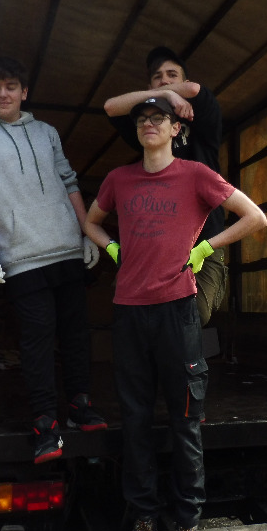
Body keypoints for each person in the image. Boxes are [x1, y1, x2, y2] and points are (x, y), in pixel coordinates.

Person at [84, 96, 267, 531]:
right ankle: (143, 523)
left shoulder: (196, 175)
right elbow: (90, 221)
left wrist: (206, 247)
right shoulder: (119, 179)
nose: (149, 124)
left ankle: (186, 525)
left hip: (177, 312)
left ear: (175, 129)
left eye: (158, 118)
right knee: (136, 421)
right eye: (142, 119)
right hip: (129, 313)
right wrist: (113, 248)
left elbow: (255, 217)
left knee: (185, 421)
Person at [0, 56, 107, 466]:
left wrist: (87, 232)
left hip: (66, 248)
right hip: (22, 256)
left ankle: (80, 405)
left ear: (24, 92)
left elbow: (70, 183)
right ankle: (45, 422)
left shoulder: (47, 132)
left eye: (11, 86)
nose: (3, 94)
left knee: (76, 334)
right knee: (38, 340)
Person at [103, 46, 227, 326]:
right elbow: (110, 107)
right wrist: (166, 95)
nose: (165, 80)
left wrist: (170, 93)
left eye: (172, 75)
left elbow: (193, 89)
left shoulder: (201, 114)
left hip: (204, 237)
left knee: (195, 314)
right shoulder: (147, 127)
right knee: (145, 316)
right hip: (158, 240)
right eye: (157, 77)